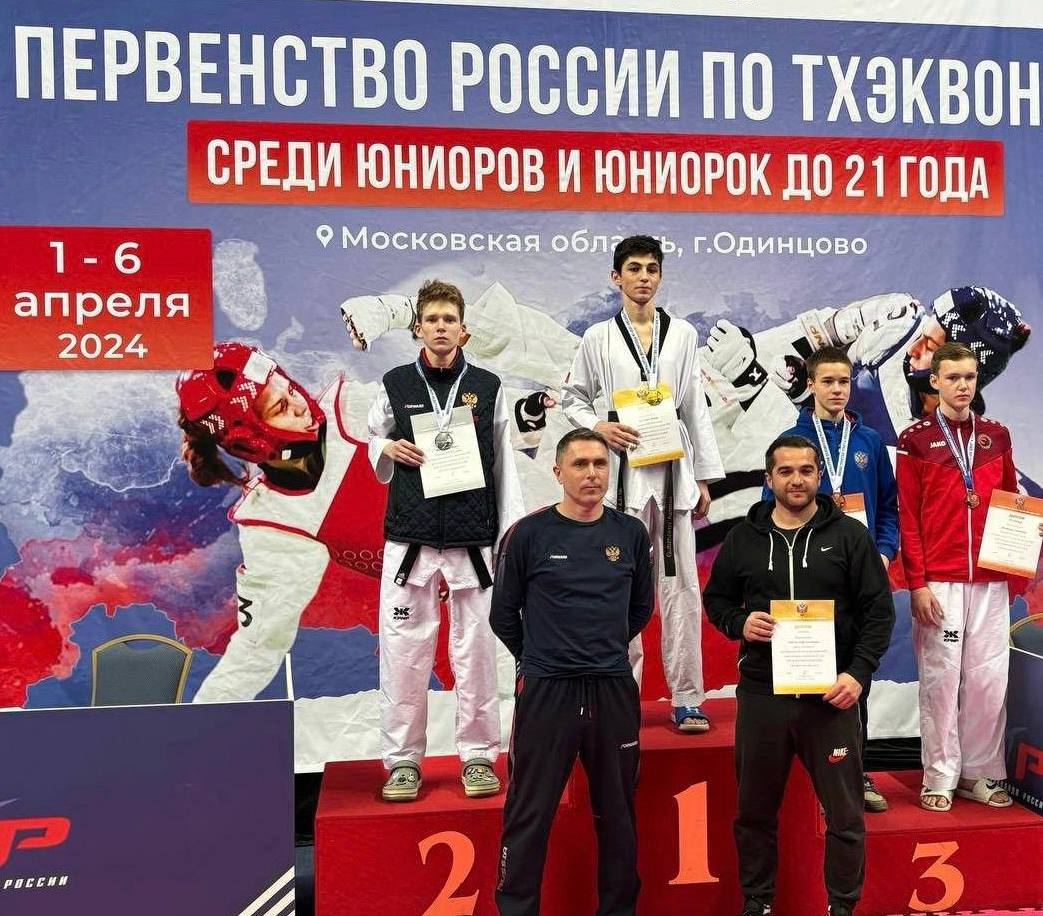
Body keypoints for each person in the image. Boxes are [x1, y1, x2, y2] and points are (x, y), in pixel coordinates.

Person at [705, 434, 895, 916]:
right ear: (769, 479)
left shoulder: (850, 536)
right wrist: (739, 623)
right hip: (763, 695)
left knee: (845, 815)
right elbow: (717, 600)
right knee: (753, 813)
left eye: (806, 471)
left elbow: (878, 612)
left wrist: (857, 674)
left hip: (831, 696)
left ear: (819, 476)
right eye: (785, 472)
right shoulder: (744, 539)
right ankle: (758, 903)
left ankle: (842, 907)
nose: (796, 480)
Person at [367, 279, 524, 802]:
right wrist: (386, 447)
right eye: (431, 319)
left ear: (464, 331)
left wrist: (508, 536)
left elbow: (504, 464)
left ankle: (478, 755)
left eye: (449, 320)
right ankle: (402, 762)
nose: (440, 327)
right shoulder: (394, 383)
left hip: (471, 540)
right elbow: (372, 437)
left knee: (476, 653)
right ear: (417, 328)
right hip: (409, 539)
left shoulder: (488, 386)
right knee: (403, 652)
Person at [560, 235, 724, 732]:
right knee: (619, 588)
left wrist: (703, 477)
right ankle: (620, 696)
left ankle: (687, 698)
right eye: (634, 268)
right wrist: (599, 427)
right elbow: (572, 398)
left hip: (672, 474)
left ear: (660, 276)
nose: (644, 277)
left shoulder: (683, 335)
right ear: (617, 277)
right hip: (624, 476)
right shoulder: (597, 338)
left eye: (652, 268)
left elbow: (694, 406)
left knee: (682, 589)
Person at [491, 428, 654, 916]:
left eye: (600, 464)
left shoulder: (630, 534)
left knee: (618, 814)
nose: (592, 473)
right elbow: (503, 615)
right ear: (558, 472)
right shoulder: (528, 534)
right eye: (580, 464)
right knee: (529, 813)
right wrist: (541, 658)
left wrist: (601, 650)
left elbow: (640, 609)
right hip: (548, 691)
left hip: (612, 689)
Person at [175, 341, 386, 703]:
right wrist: (199, 722)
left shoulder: (357, 411)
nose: (299, 402)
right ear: (249, 440)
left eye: (289, 388)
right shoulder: (273, 521)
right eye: (281, 407)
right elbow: (256, 649)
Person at [896, 341, 1038, 812]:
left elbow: (1010, 503)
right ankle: (939, 775)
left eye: (970, 377)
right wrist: (918, 583)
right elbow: (908, 517)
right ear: (934, 381)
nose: (962, 386)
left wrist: (1019, 560)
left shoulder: (996, 435)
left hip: (991, 581)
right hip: (941, 580)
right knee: (941, 679)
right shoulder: (916, 439)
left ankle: (980, 772)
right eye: (953, 377)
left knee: (988, 679)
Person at [764, 346, 898, 813]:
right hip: (809, 579)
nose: (838, 390)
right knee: (806, 679)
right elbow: (768, 510)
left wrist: (884, 553)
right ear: (812, 385)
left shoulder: (870, 443)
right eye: (828, 382)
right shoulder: (792, 441)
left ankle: (856, 773)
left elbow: (889, 507)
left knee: (854, 678)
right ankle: (810, 783)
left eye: (844, 382)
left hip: (860, 579)